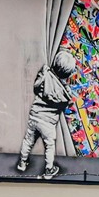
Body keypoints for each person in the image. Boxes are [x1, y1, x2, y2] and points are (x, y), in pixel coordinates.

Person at [14, 50, 79, 179]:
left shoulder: (45, 75)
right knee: (49, 146)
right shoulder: (65, 93)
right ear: (67, 74)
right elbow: (64, 106)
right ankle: (49, 169)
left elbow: (36, 88)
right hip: (48, 123)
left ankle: (22, 162)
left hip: (35, 116)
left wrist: (42, 74)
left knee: (28, 140)